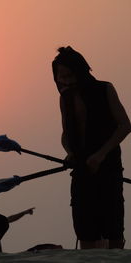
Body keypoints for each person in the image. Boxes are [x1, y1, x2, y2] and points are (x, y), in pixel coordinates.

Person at [52, 46, 131, 249]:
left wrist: (101, 155)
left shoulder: (105, 89)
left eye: (68, 75)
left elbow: (124, 125)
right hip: (81, 169)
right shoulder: (65, 98)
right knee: (84, 226)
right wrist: (69, 152)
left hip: (108, 167)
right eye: (60, 77)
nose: (64, 81)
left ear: (80, 72)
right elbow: (65, 134)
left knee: (112, 227)